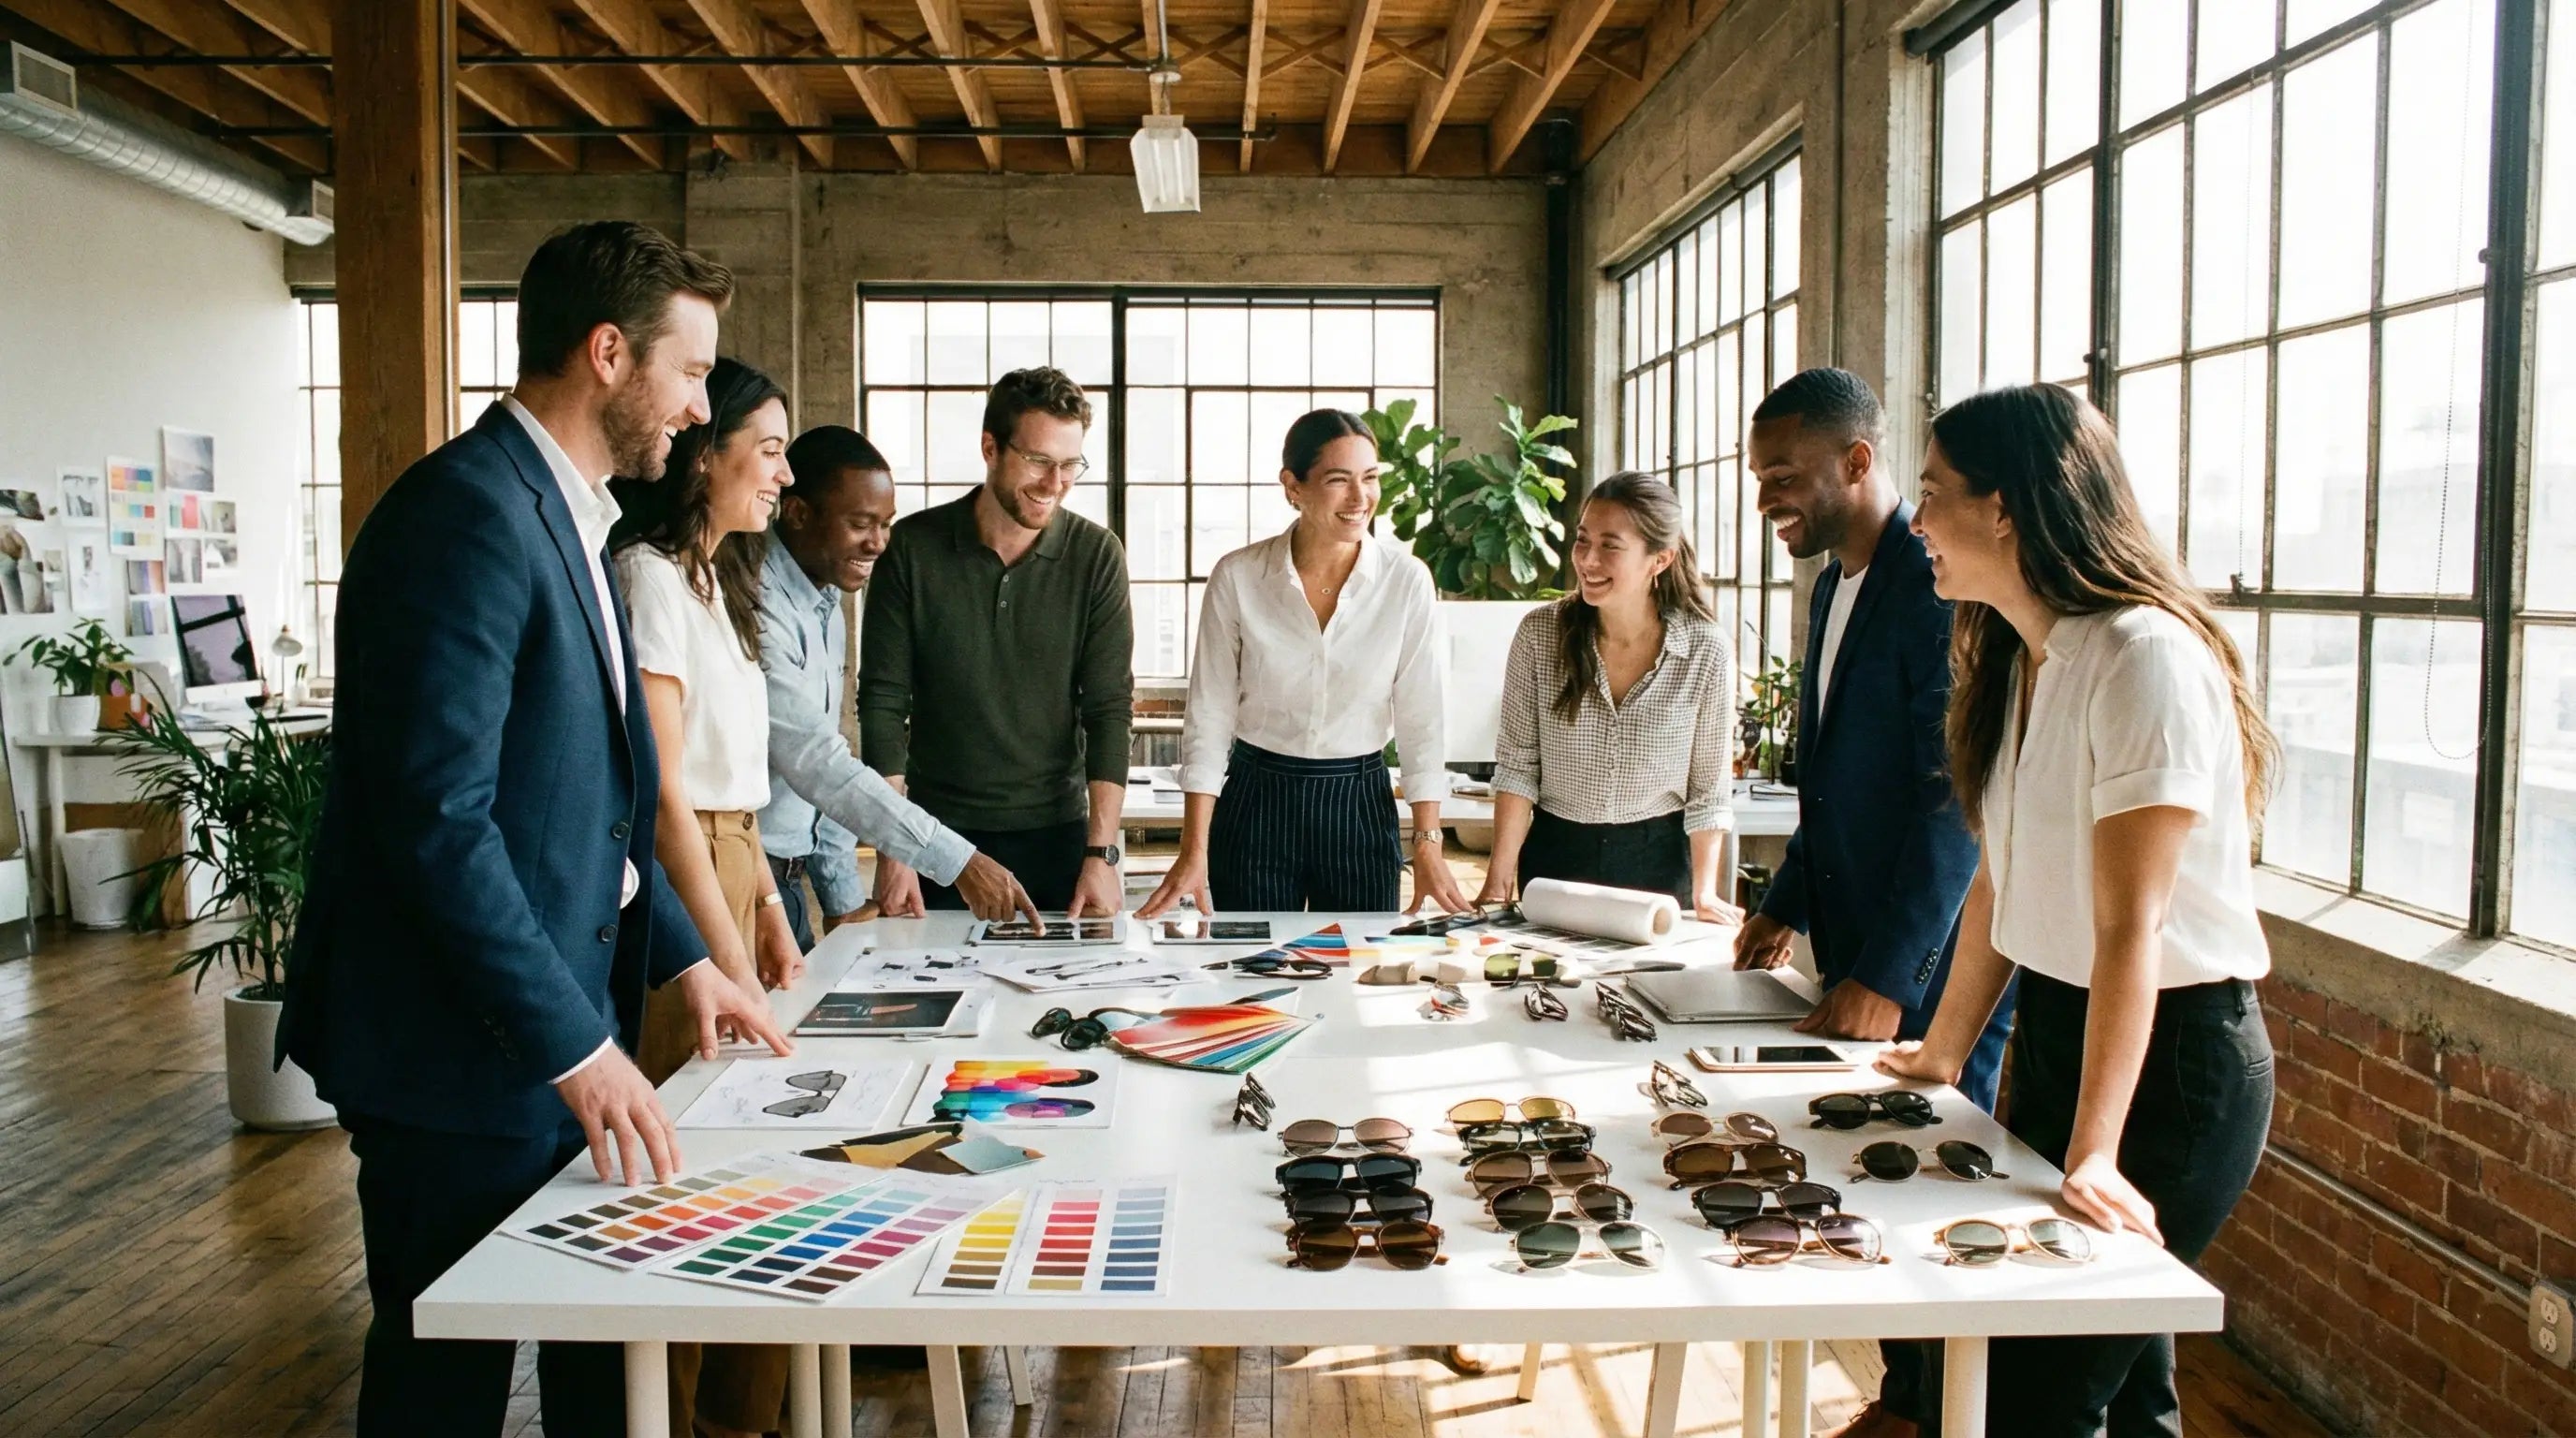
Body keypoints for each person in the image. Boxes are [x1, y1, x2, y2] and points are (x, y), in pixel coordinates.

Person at [281, 221, 790, 1438]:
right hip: (456, 1059)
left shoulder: (570, 514)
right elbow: (436, 825)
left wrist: (685, 960)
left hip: (542, 1046)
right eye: (690, 371)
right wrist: (576, 1046)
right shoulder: (465, 515)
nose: (699, 407)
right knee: (441, 1390)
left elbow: (594, 808)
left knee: (597, 1366)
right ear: (609, 354)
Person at [1877, 383, 2277, 1437]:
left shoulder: (2144, 659)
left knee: (2026, 1398)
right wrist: (1940, 1051)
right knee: (2123, 1394)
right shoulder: (2021, 656)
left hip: (2173, 1071)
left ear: (2003, 508)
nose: (1915, 522)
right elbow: (1999, 881)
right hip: (2063, 1036)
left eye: (1932, 493)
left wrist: (2094, 1151)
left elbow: (2128, 930)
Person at [1730, 370, 2004, 1438]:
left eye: (1784, 477)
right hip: (1847, 932)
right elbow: (1833, 774)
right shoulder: (1832, 585)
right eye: (1760, 480)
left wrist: (1888, 977)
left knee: (1932, 1180)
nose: (1767, 502)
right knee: (1867, 1172)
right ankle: (1907, 1398)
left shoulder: (1931, 580)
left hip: (1928, 960)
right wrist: (1785, 900)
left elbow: (1952, 801)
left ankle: (1937, 1410)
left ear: (1857, 461)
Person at [607, 357, 804, 1438]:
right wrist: (721, 950)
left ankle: (748, 1414)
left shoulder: (715, 579)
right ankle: (680, 1417)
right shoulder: (644, 574)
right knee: (692, 1185)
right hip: (684, 882)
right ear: (701, 452)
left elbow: (737, 785)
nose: (782, 473)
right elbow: (667, 798)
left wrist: (769, 908)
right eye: (766, 449)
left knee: (755, 1166)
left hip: (735, 862)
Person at [1139, 408, 1469, 917]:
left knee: (1356, 972)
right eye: (1339, 481)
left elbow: (1422, 719)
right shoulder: (1239, 577)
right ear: (1293, 486)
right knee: (1249, 977)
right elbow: (1208, 717)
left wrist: (1428, 843)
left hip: (1359, 800)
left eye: (1371, 478)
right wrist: (1193, 849)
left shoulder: (1406, 581)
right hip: (1256, 799)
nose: (1361, 499)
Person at [858, 367, 1134, 917]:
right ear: (991, 448)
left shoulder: (1096, 555)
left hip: (1057, 834)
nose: (1055, 483)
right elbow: (884, 703)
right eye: (1038, 461)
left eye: (1069, 465)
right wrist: (895, 847)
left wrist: (1102, 854)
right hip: (934, 838)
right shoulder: (912, 549)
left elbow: (1108, 709)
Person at [760, 425, 1041, 944]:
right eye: (861, 524)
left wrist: (842, 903)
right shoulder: (757, 601)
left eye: (886, 524)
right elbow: (818, 763)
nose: (879, 543)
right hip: (755, 880)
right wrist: (958, 862)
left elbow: (826, 778)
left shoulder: (825, 602)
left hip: (790, 883)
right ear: (797, 512)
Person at [1473, 471, 1737, 919]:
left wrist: (1706, 892)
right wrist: (1498, 879)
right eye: (1582, 540)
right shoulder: (1540, 635)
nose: (1588, 560)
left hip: (1658, 865)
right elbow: (1518, 768)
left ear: (1660, 559)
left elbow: (1708, 791)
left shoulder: (1704, 649)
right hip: (1557, 860)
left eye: (1610, 546)